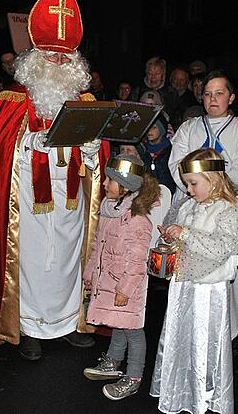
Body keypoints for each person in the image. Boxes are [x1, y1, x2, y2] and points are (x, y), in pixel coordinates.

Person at [0, 0, 111, 360]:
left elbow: (97, 160)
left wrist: (91, 151)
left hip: (71, 199)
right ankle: (30, 326)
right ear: (35, 57)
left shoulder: (86, 102)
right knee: (34, 260)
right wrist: (28, 146)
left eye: (63, 57)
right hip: (27, 199)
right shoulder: (11, 100)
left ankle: (70, 322)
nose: (56, 63)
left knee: (68, 258)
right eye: (50, 55)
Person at [150, 148, 238, 414]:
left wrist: (185, 234)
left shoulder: (228, 211)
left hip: (208, 289)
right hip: (183, 283)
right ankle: (179, 388)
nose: (189, 190)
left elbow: (224, 247)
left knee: (204, 343)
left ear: (214, 179)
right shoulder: (188, 206)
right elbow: (180, 237)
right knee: (179, 337)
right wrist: (170, 238)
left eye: (193, 183)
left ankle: (204, 396)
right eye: (186, 184)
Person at [167, 70, 238, 340]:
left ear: (230, 97)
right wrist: (193, 187)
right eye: (207, 94)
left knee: (223, 274)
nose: (212, 99)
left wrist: (213, 192)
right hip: (190, 203)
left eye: (219, 93)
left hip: (225, 208)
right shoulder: (189, 127)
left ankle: (225, 331)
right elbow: (176, 164)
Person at [82, 154, 160, 400]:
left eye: (110, 180)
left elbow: (137, 262)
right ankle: (113, 361)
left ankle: (134, 377)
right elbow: (99, 245)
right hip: (108, 281)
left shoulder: (136, 220)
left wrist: (125, 289)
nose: (104, 184)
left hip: (127, 287)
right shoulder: (110, 211)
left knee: (134, 332)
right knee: (118, 323)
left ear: (125, 187)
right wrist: (90, 272)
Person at [141, 118, 175, 194]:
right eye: (148, 127)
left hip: (168, 195)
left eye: (154, 127)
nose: (149, 130)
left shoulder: (171, 151)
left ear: (161, 130)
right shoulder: (143, 151)